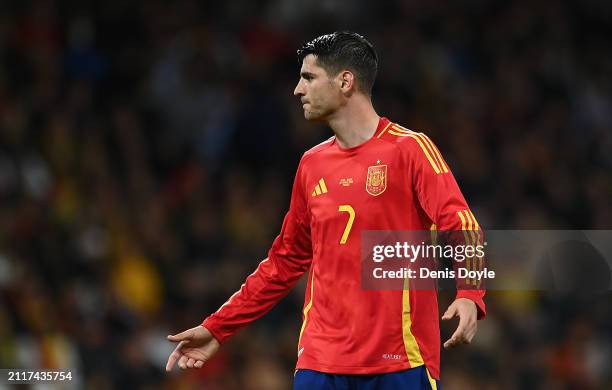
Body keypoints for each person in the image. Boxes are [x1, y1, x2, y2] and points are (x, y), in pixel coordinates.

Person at [165, 31, 485, 390]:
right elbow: (284, 261)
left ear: (345, 81)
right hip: (320, 364)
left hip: (400, 360)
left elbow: (461, 223)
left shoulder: (409, 150)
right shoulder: (311, 164)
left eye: (308, 77)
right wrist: (218, 327)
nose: (297, 90)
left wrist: (470, 293)